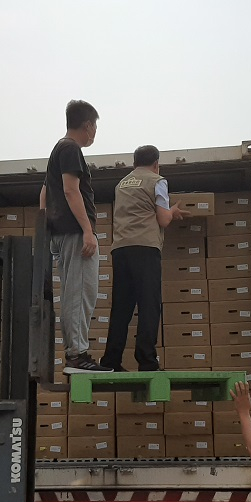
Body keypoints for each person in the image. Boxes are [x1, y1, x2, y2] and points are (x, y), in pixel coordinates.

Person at [100, 145, 189, 372]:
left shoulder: (122, 184)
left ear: (134, 163)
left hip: (121, 249)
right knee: (149, 305)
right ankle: (147, 360)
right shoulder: (157, 181)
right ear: (156, 163)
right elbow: (163, 219)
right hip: (145, 248)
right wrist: (173, 211)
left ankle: (111, 360)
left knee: (122, 307)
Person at [40, 99, 111, 373]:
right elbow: (71, 190)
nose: (95, 133)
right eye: (95, 127)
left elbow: (45, 192)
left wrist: (45, 227)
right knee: (80, 294)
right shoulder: (70, 149)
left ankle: (75, 353)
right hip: (74, 233)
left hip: (61, 234)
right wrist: (87, 231)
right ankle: (77, 355)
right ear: (88, 125)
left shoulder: (58, 149)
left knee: (73, 292)